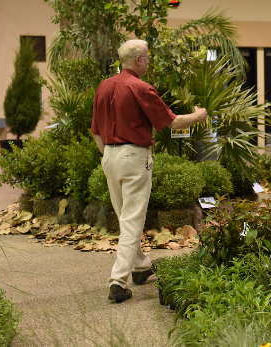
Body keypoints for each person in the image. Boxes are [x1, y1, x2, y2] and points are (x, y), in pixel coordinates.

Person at [91, 39, 208, 303]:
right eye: (146, 58)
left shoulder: (104, 86)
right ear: (136, 60)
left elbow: (96, 132)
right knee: (132, 221)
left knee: (124, 217)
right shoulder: (140, 88)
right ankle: (118, 281)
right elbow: (172, 122)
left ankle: (141, 267)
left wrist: (110, 156)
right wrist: (199, 116)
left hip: (109, 155)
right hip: (134, 156)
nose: (148, 61)